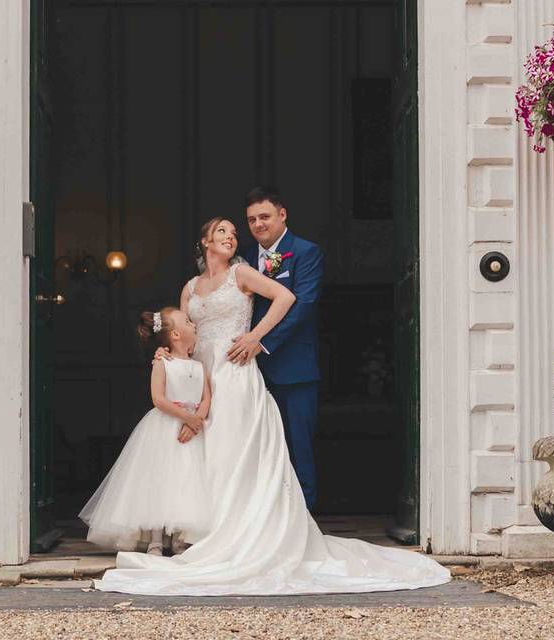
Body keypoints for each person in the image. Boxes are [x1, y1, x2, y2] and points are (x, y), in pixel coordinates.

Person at [94, 216, 451, 595]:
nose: (231, 237)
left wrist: (255, 337)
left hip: (234, 372)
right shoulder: (190, 288)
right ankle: (199, 532)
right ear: (204, 242)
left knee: (233, 452)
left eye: (233, 233)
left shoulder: (241, 274)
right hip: (201, 376)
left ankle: (238, 534)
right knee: (201, 454)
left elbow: (286, 297)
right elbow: (183, 334)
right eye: (222, 232)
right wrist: (168, 359)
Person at [79, 307, 212, 556]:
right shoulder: (162, 363)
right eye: (187, 321)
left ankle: (180, 537)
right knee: (158, 481)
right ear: (174, 334)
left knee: (185, 481)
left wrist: (197, 421)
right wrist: (186, 417)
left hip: (191, 430)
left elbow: (206, 397)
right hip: (167, 428)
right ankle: (155, 539)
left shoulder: (200, 366)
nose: (194, 324)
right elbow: (158, 399)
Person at [236, 185, 323, 510]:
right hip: (248, 372)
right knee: (258, 450)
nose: (258, 224)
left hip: (294, 369)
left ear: (282, 215)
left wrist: (262, 343)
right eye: (251, 219)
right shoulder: (242, 257)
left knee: (298, 446)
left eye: (265, 217)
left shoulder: (305, 252)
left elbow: (304, 306)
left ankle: (306, 521)